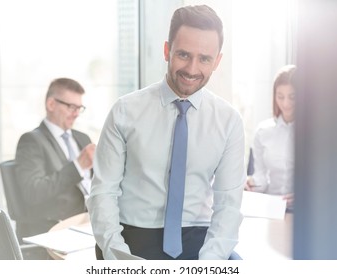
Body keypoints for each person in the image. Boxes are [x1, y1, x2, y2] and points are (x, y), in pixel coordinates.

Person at [87, 5, 245, 260]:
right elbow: (102, 194)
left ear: (217, 61)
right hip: (133, 236)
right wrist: (119, 258)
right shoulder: (125, 111)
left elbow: (228, 206)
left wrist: (207, 265)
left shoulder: (229, 121)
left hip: (198, 238)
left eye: (204, 58)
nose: (192, 69)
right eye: (183, 55)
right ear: (166, 51)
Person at [15, 77, 96, 239]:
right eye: (71, 107)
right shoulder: (31, 141)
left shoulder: (82, 138)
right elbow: (33, 191)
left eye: (80, 108)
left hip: (91, 222)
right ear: (51, 104)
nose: (76, 114)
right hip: (57, 228)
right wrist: (78, 166)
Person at [245, 65, 296, 209]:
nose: (285, 103)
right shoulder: (263, 132)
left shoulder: (315, 134)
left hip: (303, 211)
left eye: (292, 96)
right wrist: (251, 183)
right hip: (271, 207)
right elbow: (261, 177)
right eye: (280, 96)